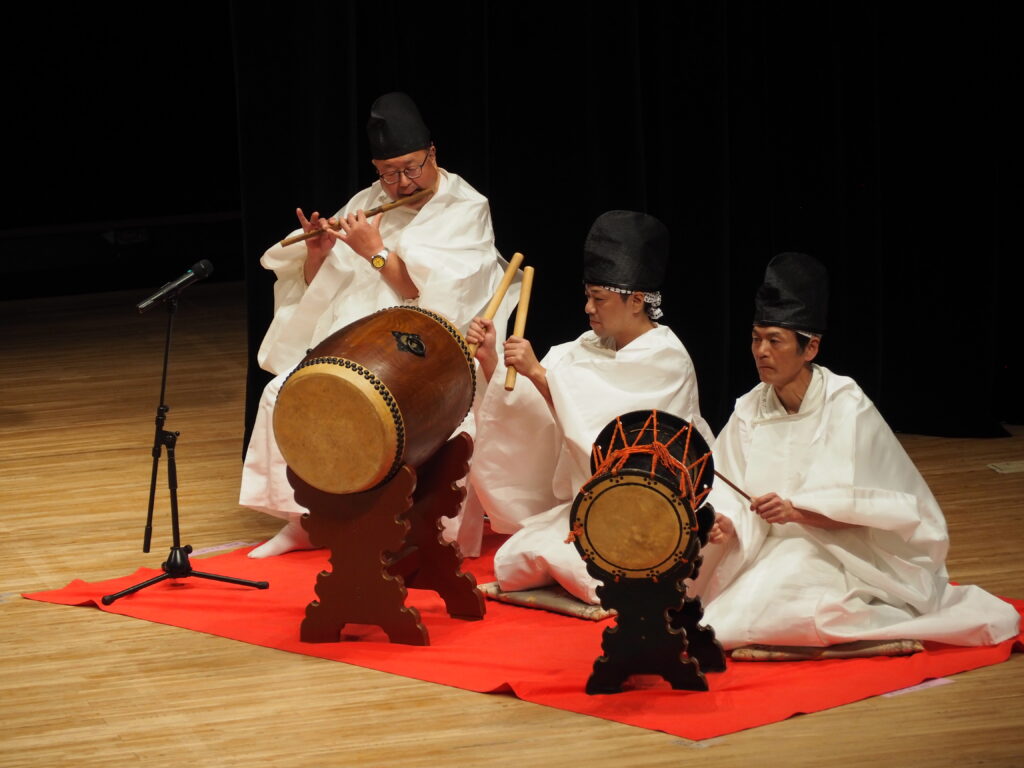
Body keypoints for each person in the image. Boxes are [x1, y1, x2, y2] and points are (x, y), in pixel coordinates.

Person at [694, 252, 1019, 649]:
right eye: (756, 338)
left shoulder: (844, 404)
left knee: (764, 610)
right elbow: (725, 487)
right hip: (762, 546)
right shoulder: (749, 408)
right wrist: (725, 523)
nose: (761, 351)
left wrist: (797, 511)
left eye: (774, 340)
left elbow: (868, 508)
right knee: (716, 616)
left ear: (809, 348)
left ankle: (867, 632)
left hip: (838, 548)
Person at [241, 92, 515, 558]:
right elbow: (326, 289)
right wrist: (317, 256)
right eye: (389, 173)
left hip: (423, 352)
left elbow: (436, 305)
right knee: (283, 390)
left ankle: (422, 535)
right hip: (360, 342)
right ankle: (306, 520)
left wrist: (376, 252)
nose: (403, 183)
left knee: (409, 411)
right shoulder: (367, 201)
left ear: (433, 153)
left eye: (411, 168)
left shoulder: (467, 208)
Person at [466, 211, 713, 603]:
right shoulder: (584, 347)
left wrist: (539, 374)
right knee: (516, 559)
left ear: (635, 301)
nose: (588, 308)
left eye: (599, 298)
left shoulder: (667, 358)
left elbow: (607, 431)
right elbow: (542, 412)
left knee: (587, 575)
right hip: (590, 507)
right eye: (587, 296)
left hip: (646, 506)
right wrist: (493, 361)